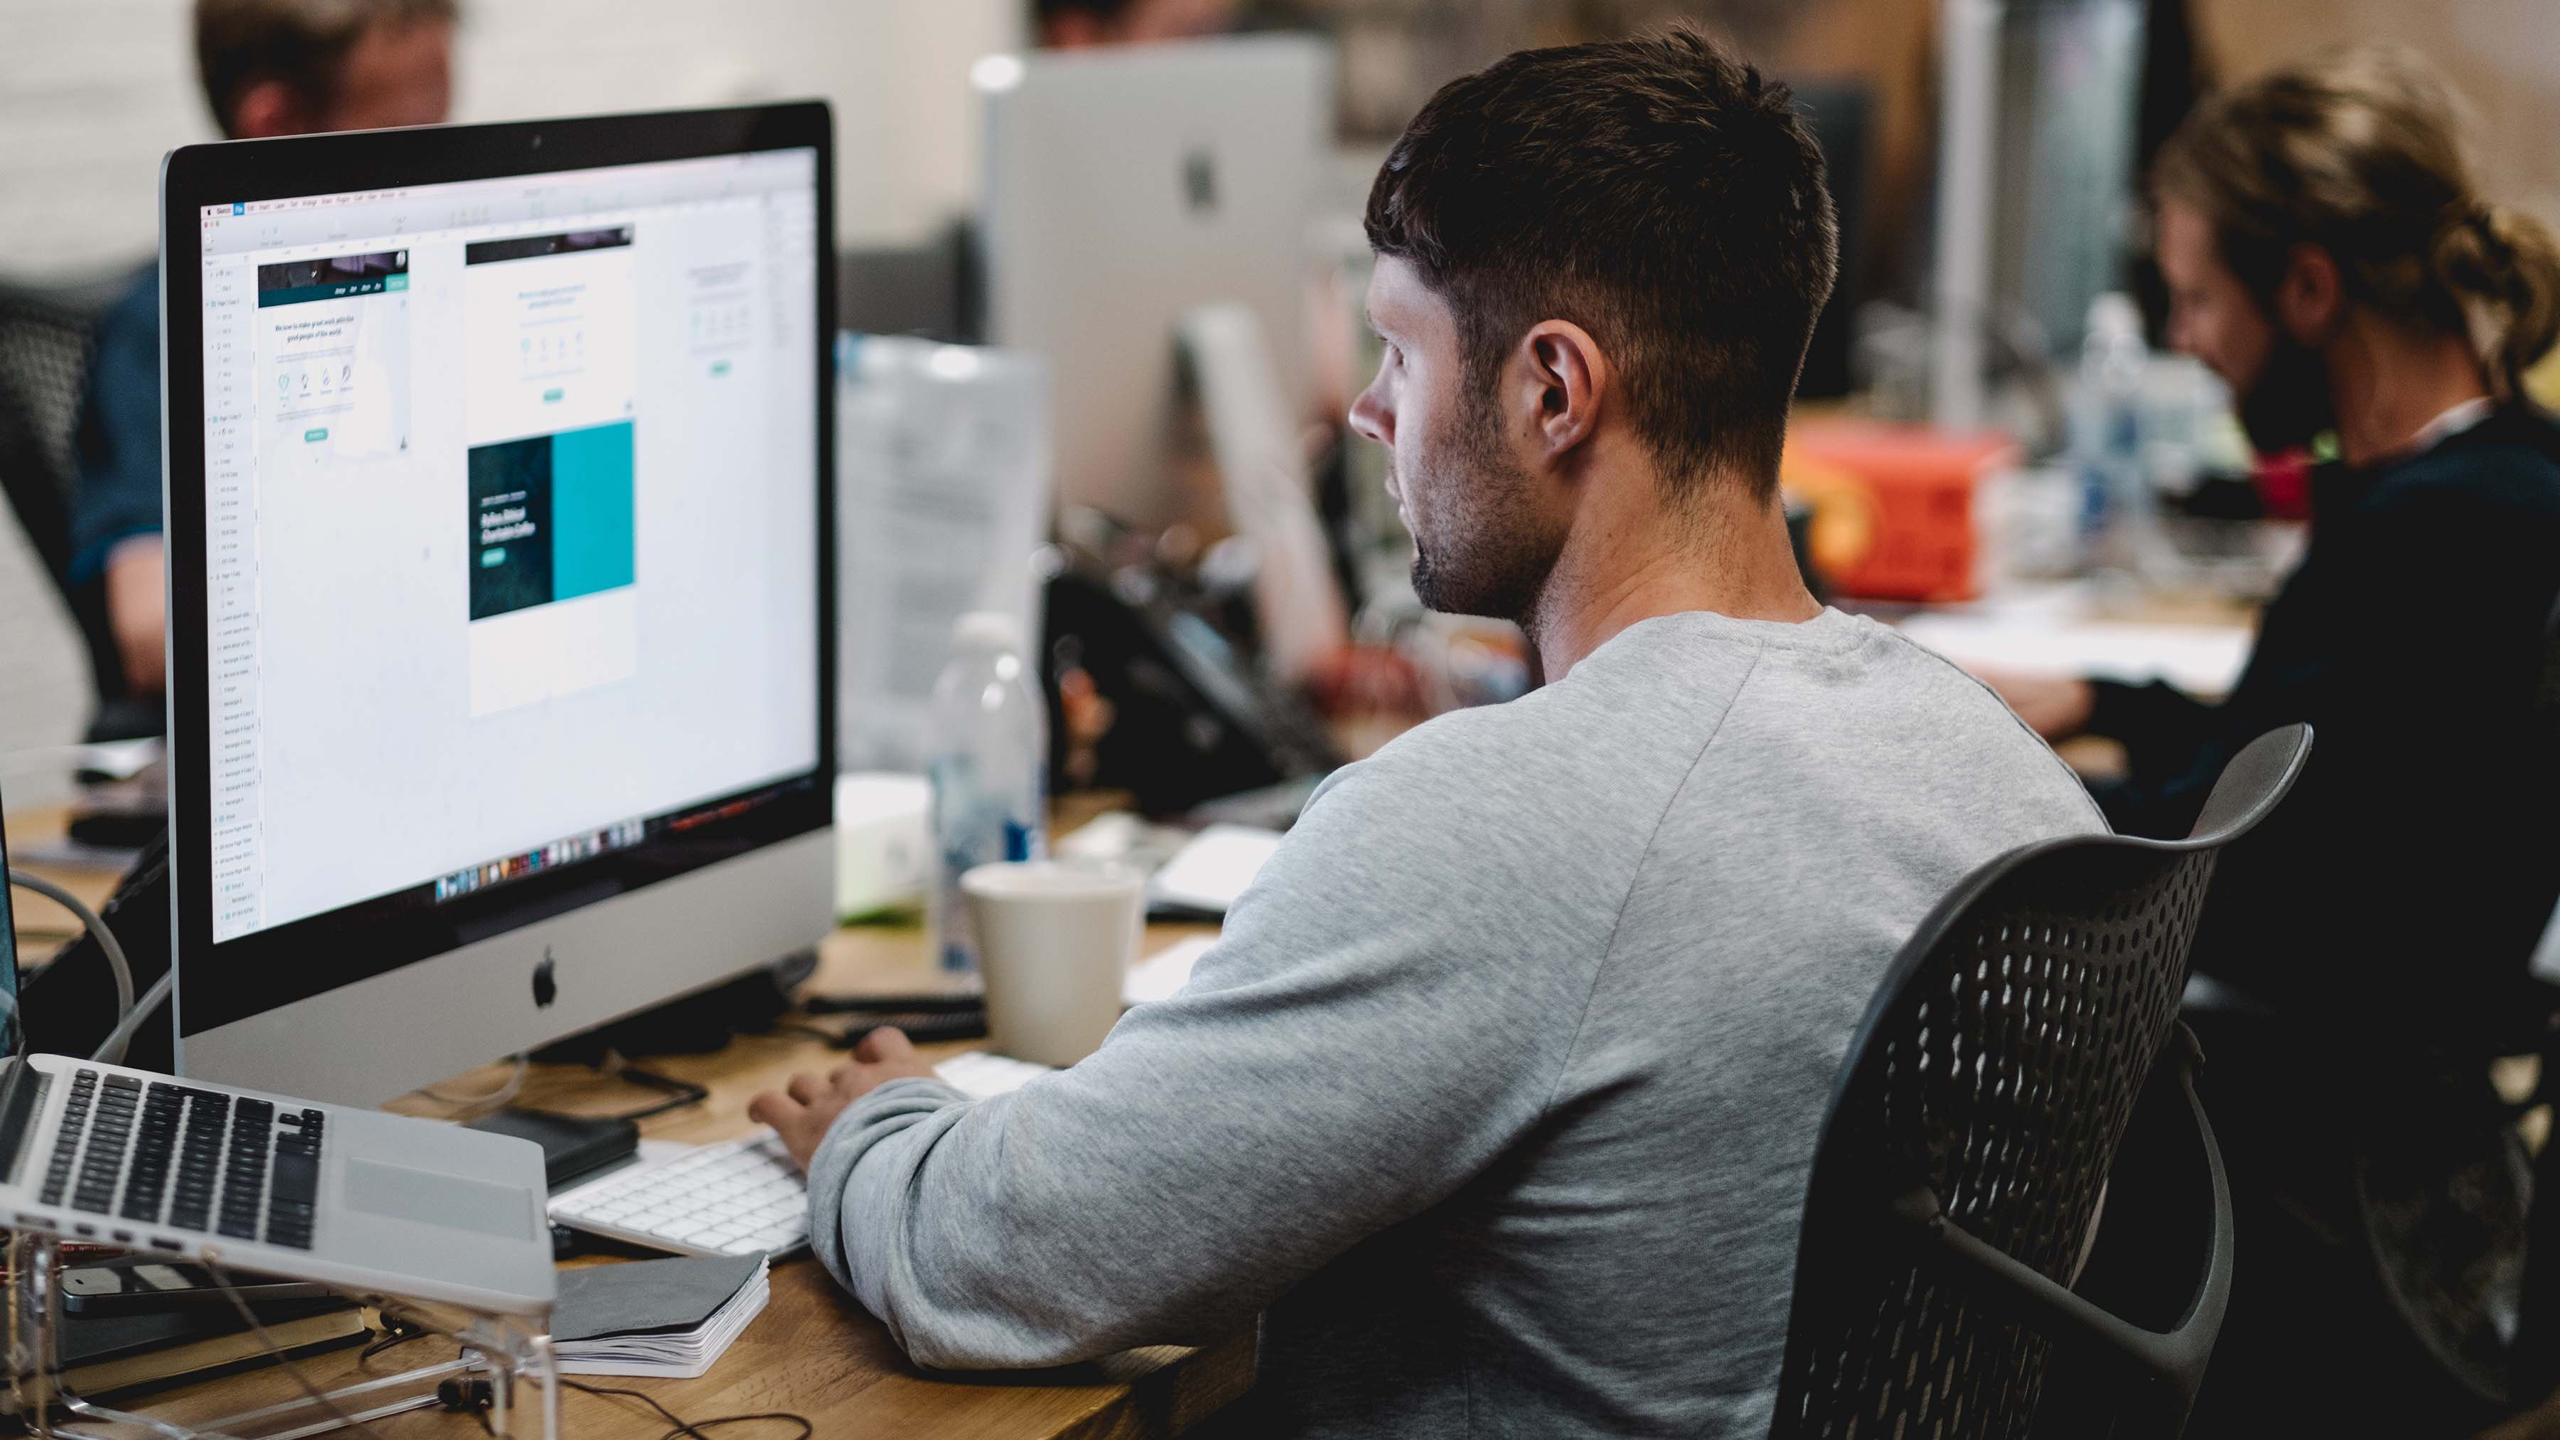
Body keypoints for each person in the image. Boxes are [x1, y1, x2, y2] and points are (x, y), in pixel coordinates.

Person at [753, 31, 2102, 1438]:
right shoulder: (2004, 772)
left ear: (1554, 393)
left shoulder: (1497, 830)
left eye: (1402, 350)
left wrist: (877, 1124)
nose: (1367, 410)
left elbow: (1002, 1260)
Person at [1983, 48, 2560, 1436]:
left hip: (2304, 1144)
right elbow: (2328, 744)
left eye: (2197, 299)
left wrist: (1972, 779)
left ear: (2309, 289)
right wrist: (2109, 701)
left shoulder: (2437, 537)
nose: (2188, 340)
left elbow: (2225, 839)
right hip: (2374, 1076)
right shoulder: (2495, 482)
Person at [71, 0, 456, 721]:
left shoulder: (417, 294)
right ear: (275, 126)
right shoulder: (159, 334)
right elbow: (150, 629)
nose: (442, 181)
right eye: (408, 144)